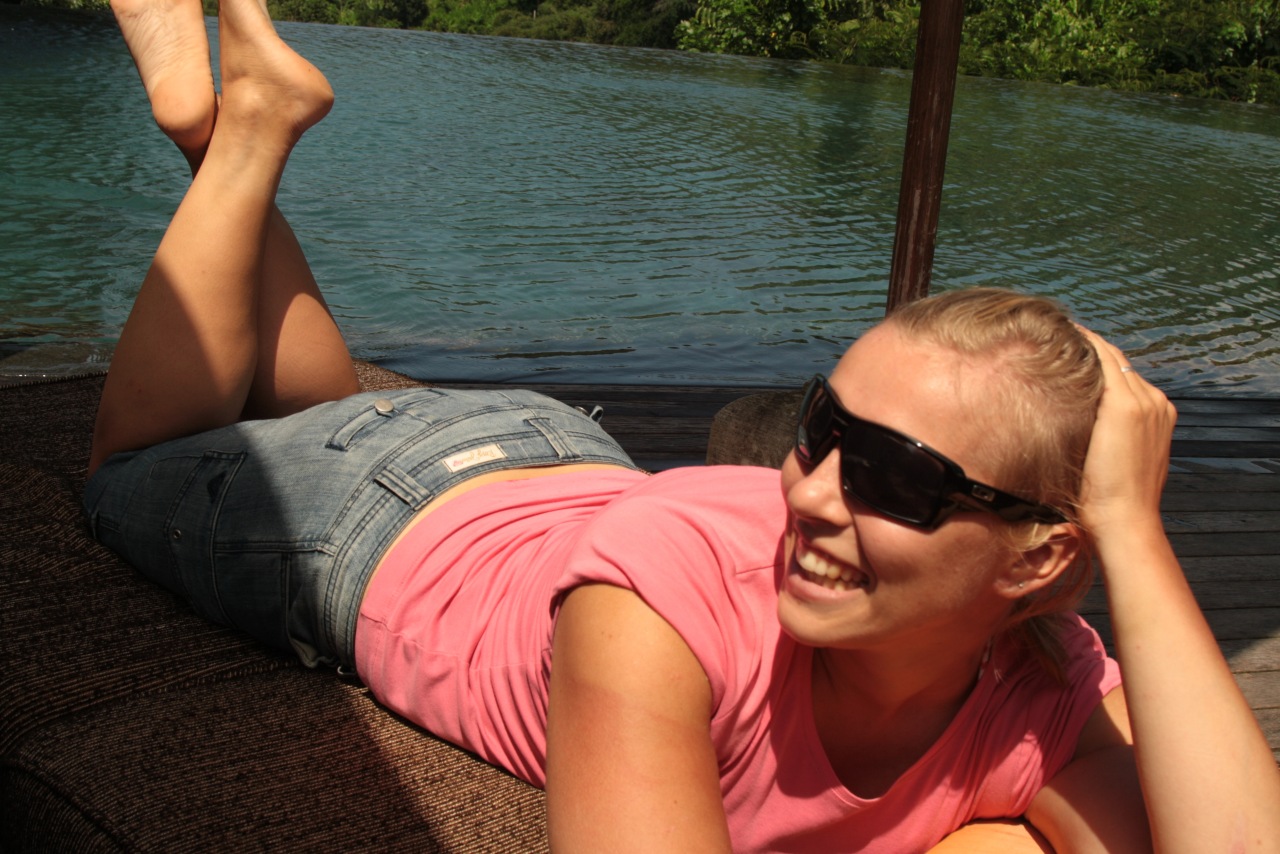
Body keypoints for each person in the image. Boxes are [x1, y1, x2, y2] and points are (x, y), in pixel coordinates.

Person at [86, 1, 1280, 851]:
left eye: (892, 476)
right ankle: (227, 137)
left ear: (1042, 554)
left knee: (316, 403)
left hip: (567, 468)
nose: (805, 490)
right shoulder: (652, 611)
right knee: (123, 471)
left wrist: (1134, 533)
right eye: (821, 429)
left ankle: (235, 128)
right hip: (388, 521)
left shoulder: (1043, 680)